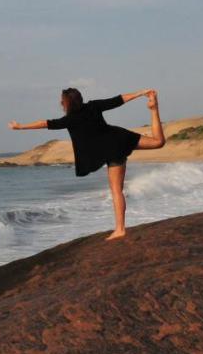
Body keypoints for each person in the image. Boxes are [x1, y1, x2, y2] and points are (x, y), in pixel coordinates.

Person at [9, 88, 165, 240]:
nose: (60, 103)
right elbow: (118, 100)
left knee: (116, 190)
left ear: (66, 103)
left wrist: (21, 126)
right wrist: (139, 93)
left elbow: (44, 123)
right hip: (119, 137)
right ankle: (153, 109)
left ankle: (120, 229)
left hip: (112, 150)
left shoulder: (69, 119)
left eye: (62, 101)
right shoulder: (93, 106)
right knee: (158, 142)